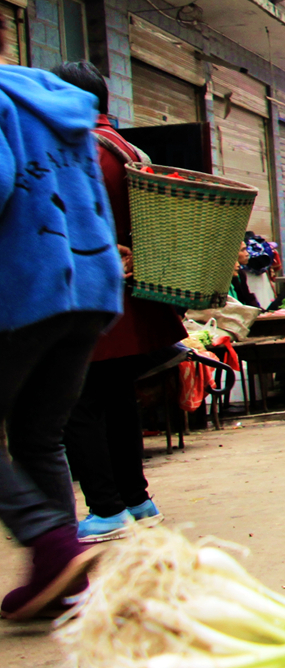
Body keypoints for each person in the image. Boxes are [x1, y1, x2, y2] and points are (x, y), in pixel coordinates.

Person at [0, 53, 123, 619]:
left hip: (27, 285)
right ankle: (63, 582)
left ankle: (50, 546)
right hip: (91, 284)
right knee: (38, 434)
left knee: (38, 433)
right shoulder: (54, 99)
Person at [48, 62, 185, 545]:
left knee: (77, 405)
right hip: (130, 299)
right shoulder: (129, 149)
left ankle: (105, 508)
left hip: (87, 295)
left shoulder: (77, 150)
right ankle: (138, 499)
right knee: (118, 400)